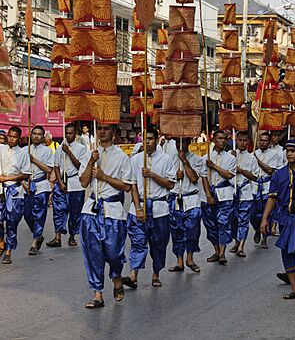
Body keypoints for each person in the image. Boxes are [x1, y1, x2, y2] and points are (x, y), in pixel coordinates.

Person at [79, 124, 133, 308]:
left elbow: (126, 186)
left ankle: (116, 276)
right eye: (99, 128)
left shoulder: (122, 157)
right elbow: (84, 181)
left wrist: (104, 177)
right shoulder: (90, 154)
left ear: (114, 133)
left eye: (106, 128)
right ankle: (97, 294)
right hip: (91, 210)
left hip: (113, 211)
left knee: (114, 254)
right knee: (93, 254)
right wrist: (90, 163)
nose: (102, 131)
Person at [122, 128, 176, 289]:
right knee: (138, 241)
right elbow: (132, 185)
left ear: (157, 140)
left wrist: (152, 175)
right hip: (138, 209)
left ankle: (156, 274)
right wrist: (138, 207)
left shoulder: (166, 159)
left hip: (160, 209)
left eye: (151, 139)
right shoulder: (136, 159)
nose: (147, 142)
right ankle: (133, 275)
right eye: (145, 139)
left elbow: (170, 184)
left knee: (158, 244)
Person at [261, 139, 295, 301]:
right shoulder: (279, 174)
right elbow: (272, 198)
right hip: (285, 219)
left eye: (293, 150)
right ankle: (294, 289)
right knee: (287, 254)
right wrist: (265, 219)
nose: (289, 153)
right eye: (287, 150)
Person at [168, 137, 209, 273]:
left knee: (192, 230)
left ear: (189, 143)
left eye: (184, 142)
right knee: (177, 231)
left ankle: (190, 259)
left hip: (192, 200)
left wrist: (185, 162)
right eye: (178, 143)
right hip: (176, 199)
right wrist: (175, 176)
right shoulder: (169, 159)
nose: (181, 145)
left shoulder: (197, 159)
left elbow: (194, 178)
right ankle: (179, 261)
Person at [46, 123, 86, 248]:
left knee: (75, 212)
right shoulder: (59, 148)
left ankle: (72, 236)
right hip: (61, 183)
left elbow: (80, 166)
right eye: (66, 133)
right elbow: (56, 165)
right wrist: (60, 181)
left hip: (76, 184)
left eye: (71, 133)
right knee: (58, 210)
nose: (68, 135)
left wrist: (68, 152)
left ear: (75, 134)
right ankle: (57, 237)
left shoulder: (81, 148)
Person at [202, 130, 236, 265]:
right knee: (211, 225)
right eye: (219, 138)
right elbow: (204, 177)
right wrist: (208, 195)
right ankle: (216, 250)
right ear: (214, 140)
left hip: (225, 194)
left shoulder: (230, 158)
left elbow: (229, 175)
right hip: (210, 194)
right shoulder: (206, 157)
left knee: (224, 223)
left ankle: (222, 252)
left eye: (224, 139)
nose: (222, 141)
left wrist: (214, 166)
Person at [0, 126, 31, 264]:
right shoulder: (1, 149)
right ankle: (2, 242)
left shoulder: (23, 153)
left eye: (14, 137)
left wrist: (7, 178)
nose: (11, 139)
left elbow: (26, 174)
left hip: (15, 192)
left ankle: (8, 251)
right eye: (9, 136)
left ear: (19, 138)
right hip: (1, 191)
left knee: (12, 223)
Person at [23, 126, 53, 255]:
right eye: (34, 133)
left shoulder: (47, 151)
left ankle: (35, 242)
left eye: (39, 134)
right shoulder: (24, 150)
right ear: (30, 135)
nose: (36, 136)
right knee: (27, 214)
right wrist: (22, 182)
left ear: (43, 136)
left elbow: (48, 169)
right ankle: (38, 235)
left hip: (41, 185)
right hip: (26, 185)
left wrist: (33, 159)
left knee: (39, 215)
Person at [229, 131, 259, 257]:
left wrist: (241, 170)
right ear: (236, 141)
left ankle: (241, 245)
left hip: (245, 192)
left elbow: (255, 177)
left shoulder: (252, 158)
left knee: (243, 220)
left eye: (244, 140)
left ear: (248, 142)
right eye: (240, 140)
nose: (242, 143)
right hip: (231, 192)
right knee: (233, 220)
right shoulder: (230, 156)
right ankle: (236, 241)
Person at [251, 132, 278, 248]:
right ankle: (257, 229)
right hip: (255, 187)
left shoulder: (273, 154)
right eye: (261, 140)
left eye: (265, 140)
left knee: (267, 214)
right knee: (253, 214)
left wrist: (257, 161)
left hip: (267, 186)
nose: (262, 142)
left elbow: (270, 170)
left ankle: (265, 238)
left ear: (269, 142)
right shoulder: (253, 153)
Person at [270, 130, 287, 236]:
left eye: (278, 136)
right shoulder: (266, 150)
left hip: (280, 179)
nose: (276, 138)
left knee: (278, 202)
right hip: (269, 179)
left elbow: (286, 163)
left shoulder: (283, 151)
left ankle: (274, 226)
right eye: (274, 135)